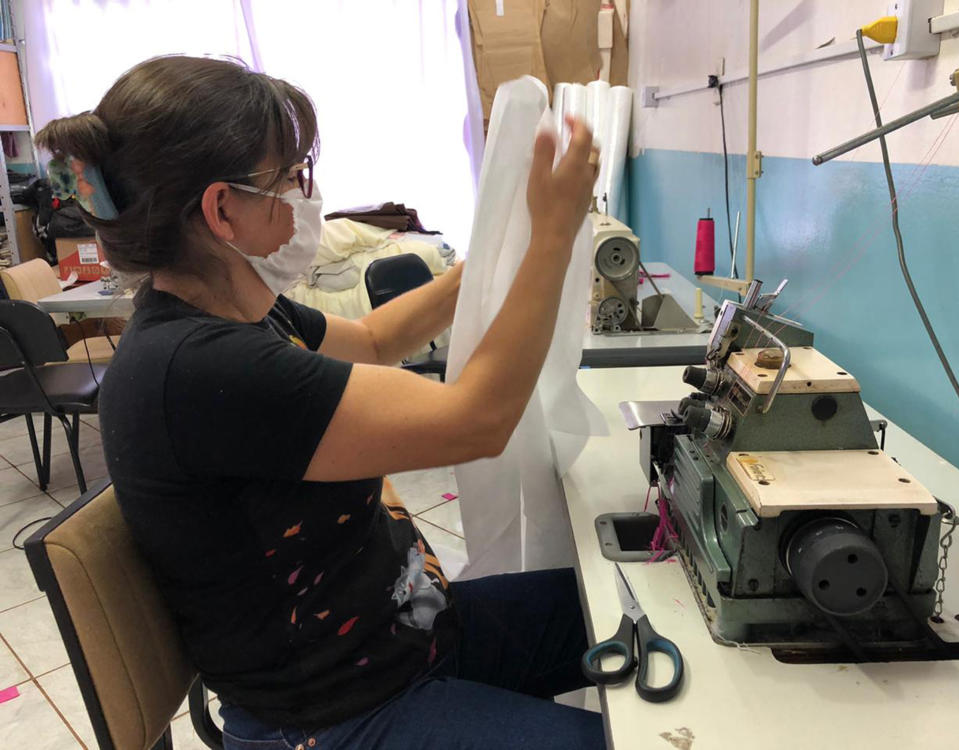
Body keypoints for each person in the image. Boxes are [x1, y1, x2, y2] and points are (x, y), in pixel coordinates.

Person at [36, 55, 604, 749]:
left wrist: (489, 255)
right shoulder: (201, 370)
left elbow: (373, 339)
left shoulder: (238, 312)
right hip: (337, 717)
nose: (305, 197)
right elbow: (477, 419)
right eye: (289, 178)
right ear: (222, 209)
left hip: (403, 641)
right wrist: (551, 236)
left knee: (623, 609)